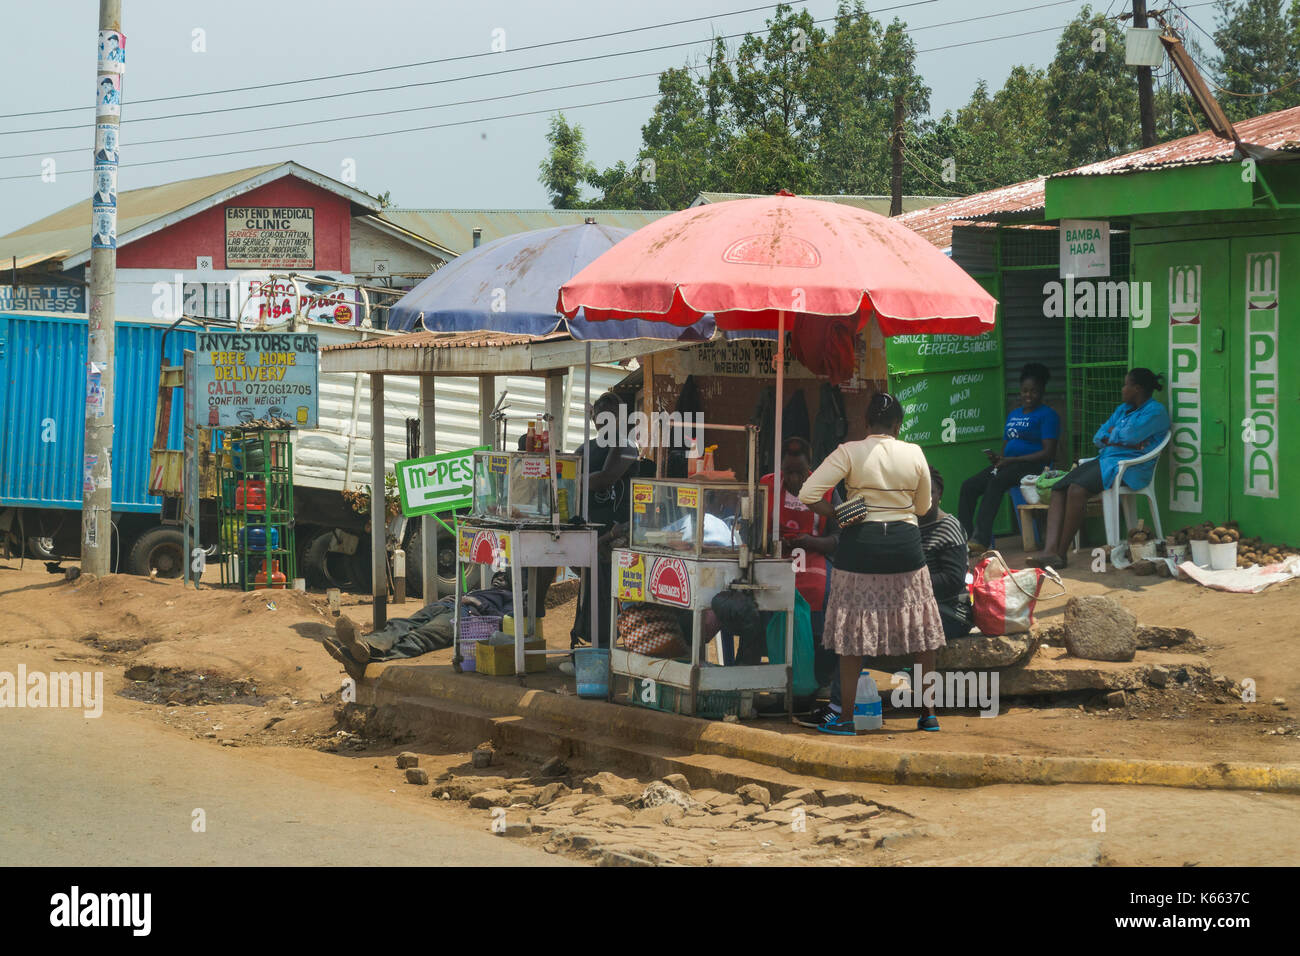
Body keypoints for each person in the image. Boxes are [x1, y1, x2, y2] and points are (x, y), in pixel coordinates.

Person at [799, 392, 947, 734]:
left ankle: (846, 718)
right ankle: (928, 715)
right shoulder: (914, 453)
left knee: (853, 634)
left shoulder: (849, 451)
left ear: (865, 424)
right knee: (923, 635)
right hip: (905, 548)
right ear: (898, 425)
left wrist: (839, 513)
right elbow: (923, 508)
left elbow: (808, 494)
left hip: (859, 548)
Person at [811, 465, 970, 726]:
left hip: (950, 610)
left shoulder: (948, 527)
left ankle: (845, 709)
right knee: (855, 623)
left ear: (938, 494)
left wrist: (905, 586)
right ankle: (836, 700)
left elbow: (952, 582)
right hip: (907, 602)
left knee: (873, 628)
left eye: (926, 493)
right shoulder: (902, 525)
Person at [1028, 368, 1170, 568]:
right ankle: (1049, 551)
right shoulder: (1122, 409)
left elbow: (1130, 436)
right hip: (1107, 460)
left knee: (1077, 490)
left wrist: (1115, 436)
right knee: (1059, 487)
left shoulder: (1156, 412)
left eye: (1125, 385)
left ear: (1137, 389)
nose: (1122, 389)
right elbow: (1099, 436)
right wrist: (1119, 437)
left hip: (1129, 469)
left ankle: (1061, 554)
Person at [758, 437, 839, 676]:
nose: (793, 478)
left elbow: (838, 537)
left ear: (810, 468)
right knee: (763, 593)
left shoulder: (827, 490)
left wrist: (811, 541)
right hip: (775, 558)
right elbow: (751, 526)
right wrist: (771, 541)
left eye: (800, 472)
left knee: (818, 592)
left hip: (814, 556)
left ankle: (815, 673)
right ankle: (772, 660)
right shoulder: (767, 485)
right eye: (789, 472)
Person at [958, 362, 1059, 551]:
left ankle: (981, 539)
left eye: (1033, 391)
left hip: (1034, 466)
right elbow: (1007, 447)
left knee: (997, 481)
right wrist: (999, 459)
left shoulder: (1048, 415)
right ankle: (964, 539)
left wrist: (1011, 461)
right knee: (969, 486)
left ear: (1042, 391)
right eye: (1024, 391)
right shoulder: (1013, 414)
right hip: (1009, 465)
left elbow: (1048, 453)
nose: (1028, 395)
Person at [571, 391, 637, 649]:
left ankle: (603, 645)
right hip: (590, 531)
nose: (605, 423)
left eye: (612, 418)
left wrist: (572, 481)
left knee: (603, 575)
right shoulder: (584, 448)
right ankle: (591, 639)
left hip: (619, 531)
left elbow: (606, 477)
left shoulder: (627, 447)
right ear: (594, 419)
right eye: (601, 418)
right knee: (590, 583)